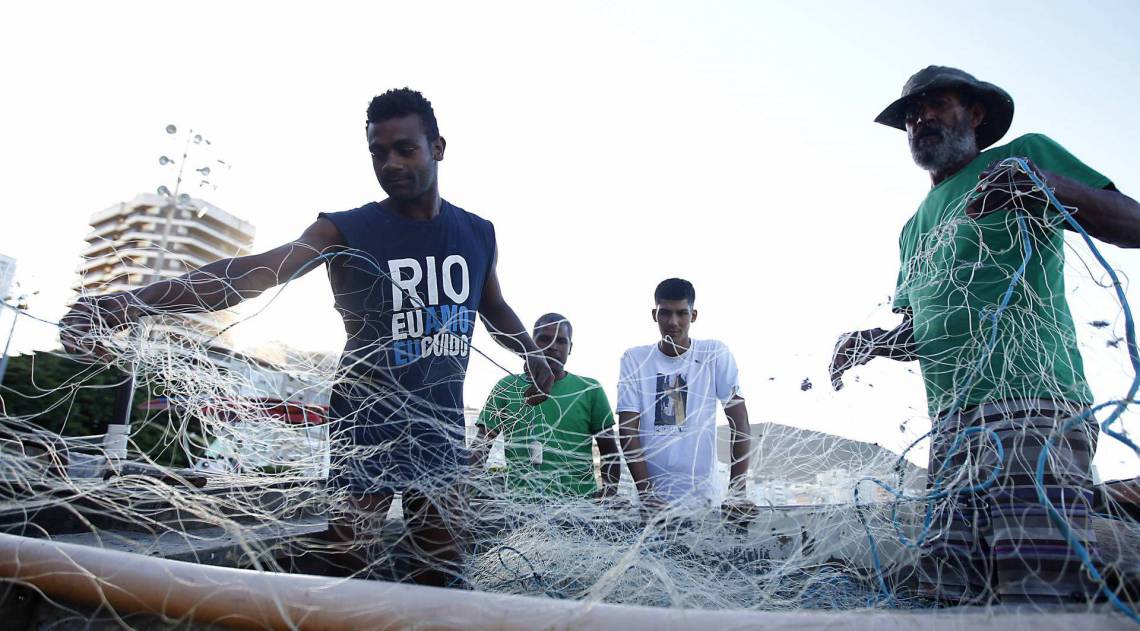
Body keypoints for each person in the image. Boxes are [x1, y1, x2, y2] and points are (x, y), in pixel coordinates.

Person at [60, 88, 555, 587]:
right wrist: (127, 302)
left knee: (442, 569)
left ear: (438, 148)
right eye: (377, 153)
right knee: (350, 566)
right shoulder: (345, 229)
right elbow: (255, 272)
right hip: (367, 426)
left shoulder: (478, 232)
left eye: (405, 148)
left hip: (441, 428)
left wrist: (532, 353)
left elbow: (492, 306)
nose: (390, 163)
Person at [829, 66, 1140, 604]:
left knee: (1038, 594)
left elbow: (1133, 223)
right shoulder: (913, 227)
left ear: (974, 115)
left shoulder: (1023, 155)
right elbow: (923, 328)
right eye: (910, 115)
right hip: (950, 429)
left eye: (936, 106)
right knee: (946, 593)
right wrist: (875, 343)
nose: (920, 120)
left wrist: (1046, 184)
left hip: (1033, 411)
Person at [616, 278, 753, 516]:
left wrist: (737, 493)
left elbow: (739, 421)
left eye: (682, 313)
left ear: (694, 315)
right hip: (649, 505)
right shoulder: (634, 359)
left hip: (703, 501)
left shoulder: (714, 354)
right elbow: (628, 429)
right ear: (654, 315)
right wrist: (646, 492)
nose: (673, 322)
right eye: (665, 313)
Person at [472, 313, 621, 500]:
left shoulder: (590, 389)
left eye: (561, 341)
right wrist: (463, 490)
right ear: (530, 344)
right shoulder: (506, 387)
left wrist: (610, 493)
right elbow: (481, 446)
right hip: (520, 509)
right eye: (544, 339)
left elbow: (609, 450)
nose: (553, 347)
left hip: (580, 509)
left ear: (570, 348)